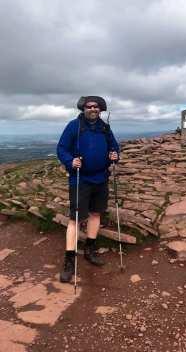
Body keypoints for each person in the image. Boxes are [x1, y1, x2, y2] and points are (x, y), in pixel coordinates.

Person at [57, 96, 119, 283]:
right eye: (89, 106)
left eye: (96, 106)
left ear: (100, 110)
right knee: (75, 218)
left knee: (95, 214)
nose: (92, 109)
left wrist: (115, 155)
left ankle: (90, 250)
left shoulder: (105, 128)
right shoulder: (73, 126)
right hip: (80, 179)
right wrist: (70, 161)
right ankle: (69, 260)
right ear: (83, 109)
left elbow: (114, 147)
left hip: (101, 178)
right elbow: (61, 148)